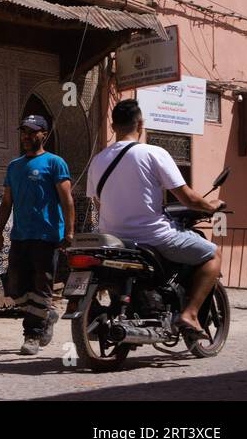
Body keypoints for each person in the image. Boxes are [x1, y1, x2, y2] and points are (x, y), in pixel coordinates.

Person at [86, 99, 223, 344]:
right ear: (140, 123)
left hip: (114, 238)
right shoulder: (153, 153)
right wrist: (210, 206)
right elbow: (188, 198)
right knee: (213, 254)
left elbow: (98, 202)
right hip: (154, 237)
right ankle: (190, 314)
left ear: (113, 124)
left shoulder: (98, 160)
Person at [0, 114, 75, 355]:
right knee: (15, 287)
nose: (26, 136)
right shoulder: (14, 166)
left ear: (44, 134)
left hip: (46, 236)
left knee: (41, 286)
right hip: (20, 235)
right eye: (23, 132)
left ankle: (32, 335)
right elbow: (6, 202)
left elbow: (67, 200)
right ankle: (47, 314)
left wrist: (69, 231)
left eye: (32, 132)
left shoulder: (54, 163)